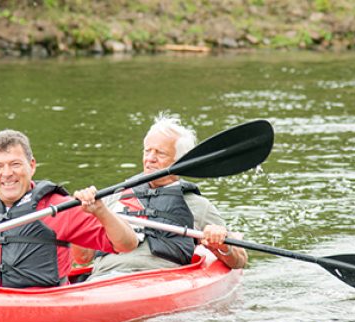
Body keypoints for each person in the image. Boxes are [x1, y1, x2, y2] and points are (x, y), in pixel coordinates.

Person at [0, 129, 138, 288]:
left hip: (45, 310)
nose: (7, 173)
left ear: (32, 166)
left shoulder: (59, 208)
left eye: (15, 164)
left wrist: (102, 212)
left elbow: (127, 244)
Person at [74, 115, 248, 280]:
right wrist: (78, 218)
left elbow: (240, 259)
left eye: (160, 153)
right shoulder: (109, 200)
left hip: (158, 280)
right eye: (147, 151)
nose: (150, 159)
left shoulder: (197, 206)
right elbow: (83, 257)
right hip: (103, 279)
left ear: (180, 161)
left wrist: (221, 245)